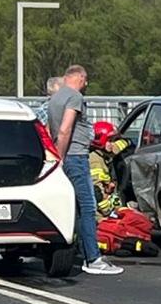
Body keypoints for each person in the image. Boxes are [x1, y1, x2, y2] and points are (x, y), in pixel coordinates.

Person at [45, 65, 121, 276]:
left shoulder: (55, 98)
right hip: (75, 157)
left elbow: (52, 128)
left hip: (64, 156)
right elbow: (64, 129)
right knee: (88, 206)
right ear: (79, 78)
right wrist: (61, 156)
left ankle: (82, 250)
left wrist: (55, 155)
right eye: (85, 81)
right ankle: (93, 258)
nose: (86, 85)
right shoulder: (74, 97)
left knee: (75, 207)